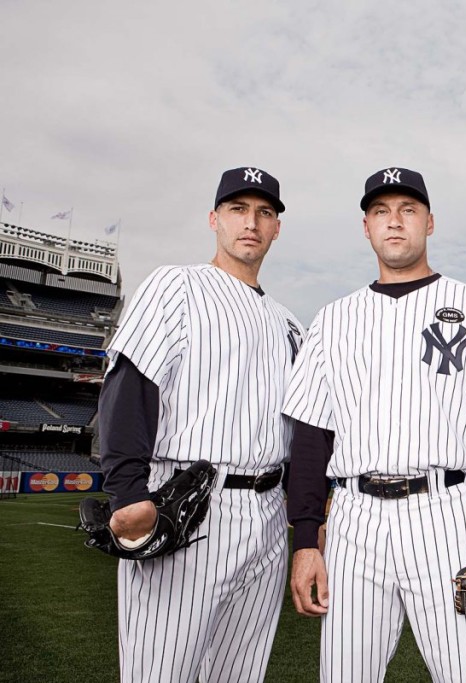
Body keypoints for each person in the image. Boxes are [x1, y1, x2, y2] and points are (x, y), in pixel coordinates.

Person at [282, 167, 466, 682]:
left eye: (408, 210)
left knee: (464, 673)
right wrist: (306, 539)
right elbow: (310, 439)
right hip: (354, 519)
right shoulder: (331, 321)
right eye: (381, 211)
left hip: (445, 514)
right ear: (366, 227)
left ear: (430, 222)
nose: (395, 222)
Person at [98, 167, 302, 682]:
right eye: (237, 210)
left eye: (264, 212)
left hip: (269, 516)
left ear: (277, 228)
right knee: (161, 671)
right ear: (215, 219)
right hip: (189, 503)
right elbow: (130, 384)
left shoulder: (290, 323)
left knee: (241, 673)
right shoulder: (176, 285)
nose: (250, 222)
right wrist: (125, 492)